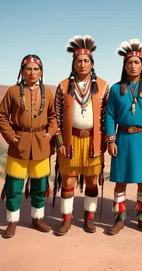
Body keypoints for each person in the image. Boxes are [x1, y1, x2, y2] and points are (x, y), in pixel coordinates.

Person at [105, 38, 142, 235]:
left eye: (136, 62)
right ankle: (119, 219)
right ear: (124, 65)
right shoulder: (115, 89)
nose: (133, 65)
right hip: (122, 139)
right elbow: (110, 116)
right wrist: (110, 139)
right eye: (129, 62)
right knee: (120, 180)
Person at [0, 54, 57, 238]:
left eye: (35, 69)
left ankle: (37, 219)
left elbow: (54, 117)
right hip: (18, 144)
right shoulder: (13, 91)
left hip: (41, 144)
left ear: (41, 72)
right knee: (14, 186)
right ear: (22, 71)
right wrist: (11, 137)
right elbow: (2, 116)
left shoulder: (48, 92)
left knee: (40, 186)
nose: (32, 72)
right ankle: (12, 222)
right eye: (28, 69)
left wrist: (50, 133)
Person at [54, 35, 109, 235]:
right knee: (68, 180)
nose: (82, 64)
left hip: (93, 140)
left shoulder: (103, 86)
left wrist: (105, 141)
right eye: (79, 61)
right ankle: (66, 218)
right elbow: (56, 117)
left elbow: (106, 117)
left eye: (86, 61)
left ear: (92, 64)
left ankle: (89, 217)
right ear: (73, 63)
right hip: (70, 141)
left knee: (92, 180)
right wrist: (59, 141)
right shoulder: (62, 86)